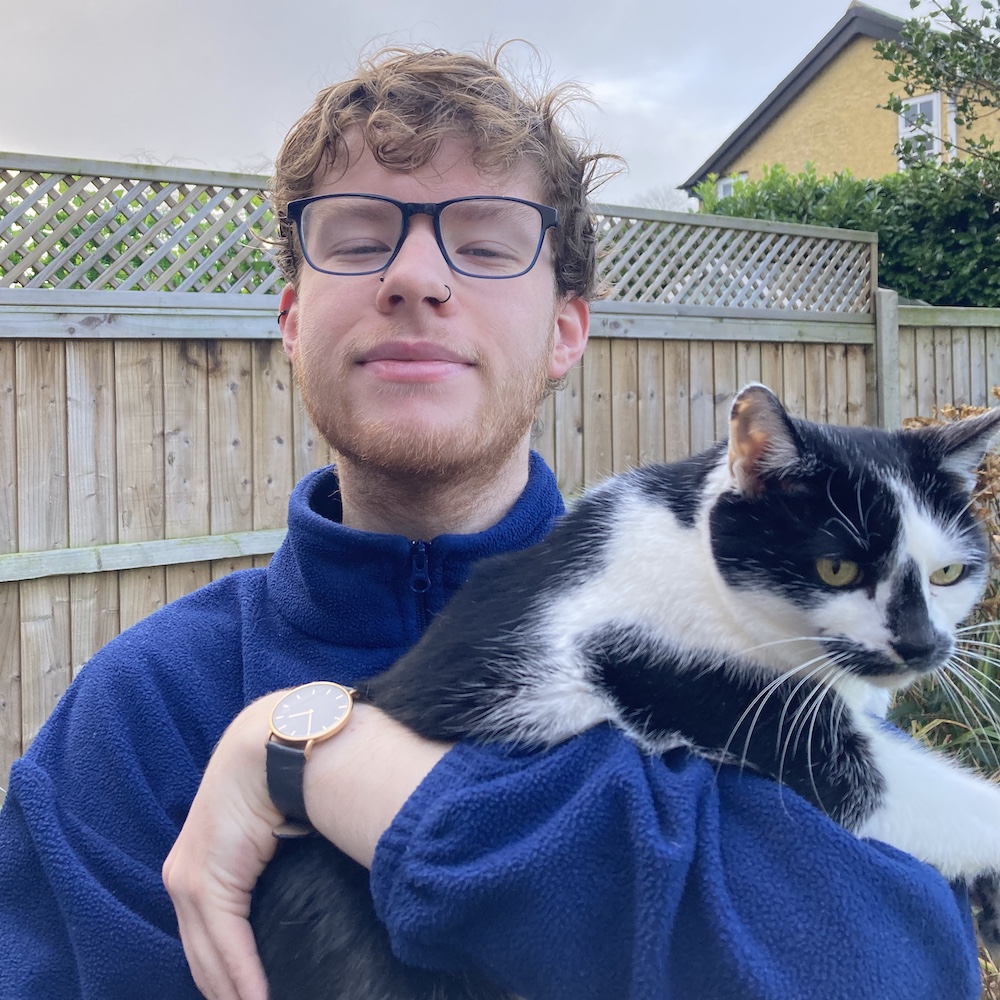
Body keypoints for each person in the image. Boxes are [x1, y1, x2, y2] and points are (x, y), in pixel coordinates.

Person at [0, 43, 982, 1000]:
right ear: (293, 321)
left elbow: (901, 967)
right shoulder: (141, 715)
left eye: (483, 240)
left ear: (565, 329)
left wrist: (329, 764)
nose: (415, 277)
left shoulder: (756, 650)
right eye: (356, 234)